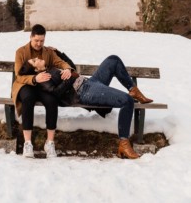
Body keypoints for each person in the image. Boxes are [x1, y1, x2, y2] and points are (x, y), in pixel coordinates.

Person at [26, 55, 153, 159]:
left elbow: (71, 66)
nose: (37, 57)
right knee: (127, 100)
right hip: (84, 92)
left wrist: (61, 57)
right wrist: (68, 79)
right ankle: (124, 144)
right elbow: (56, 93)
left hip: (90, 82)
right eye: (34, 60)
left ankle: (133, 89)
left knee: (113, 60)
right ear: (36, 70)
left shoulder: (51, 68)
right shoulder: (43, 80)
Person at [12, 24, 74, 158]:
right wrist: (35, 78)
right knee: (28, 99)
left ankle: (50, 142)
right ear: (31, 37)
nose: (39, 43)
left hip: (44, 85)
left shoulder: (48, 52)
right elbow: (19, 75)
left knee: (52, 101)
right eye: (36, 41)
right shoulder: (20, 52)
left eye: (42, 41)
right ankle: (27, 143)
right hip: (26, 84)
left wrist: (67, 68)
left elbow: (61, 62)